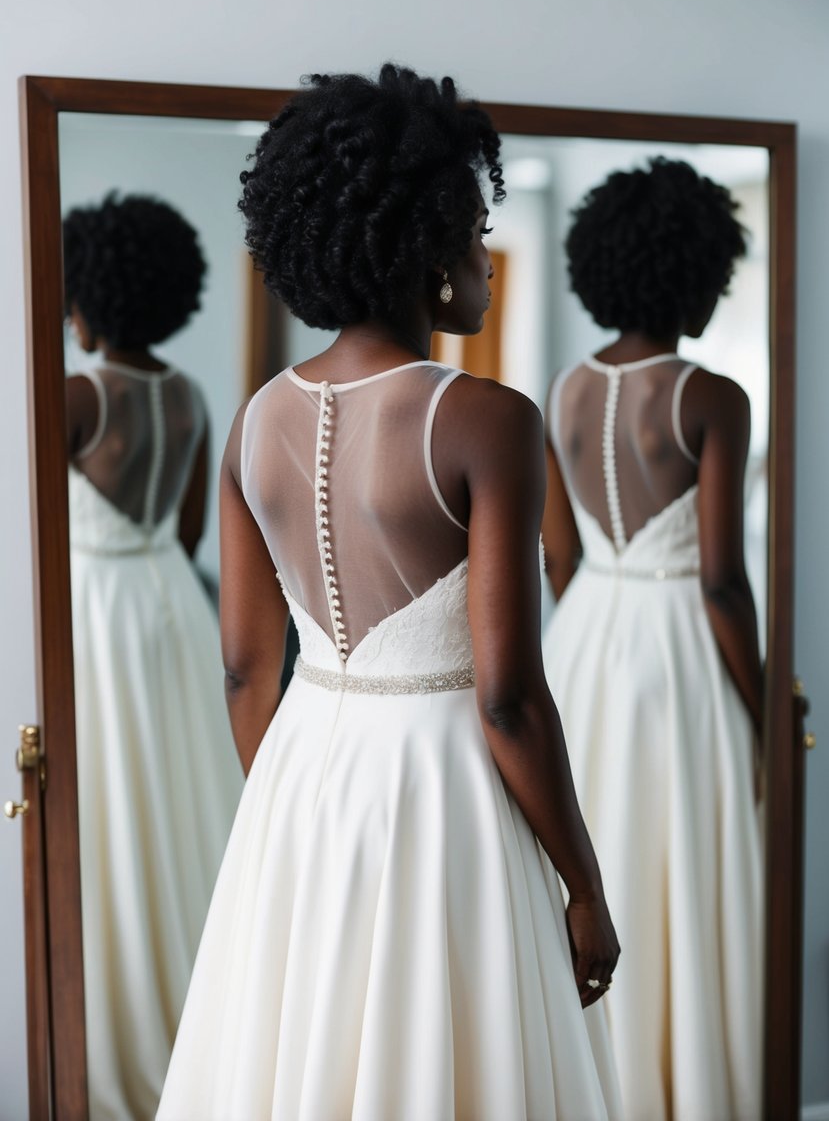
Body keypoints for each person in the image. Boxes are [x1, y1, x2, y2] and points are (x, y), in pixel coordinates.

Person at [157, 65, 622, 1120]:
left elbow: (243, 666)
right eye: (470, 229)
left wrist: (286, 803)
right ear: (420, 245)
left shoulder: (252, 421)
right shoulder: (488, 419)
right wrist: (584, 889)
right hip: (442, 787)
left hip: (300, 776)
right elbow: (507, 698)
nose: (483, 257)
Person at [541, 158, 763, 1121]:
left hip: (587, 630)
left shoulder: (561, 391)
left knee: (604, 845)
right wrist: (762, 706)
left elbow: (556, 556)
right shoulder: (709, 395)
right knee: (681, 854)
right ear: (696, 267)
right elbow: (720, 576)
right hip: (676, 647)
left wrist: (590, 617)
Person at [64, 192, 244, 1121]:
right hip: (172, 604)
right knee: (172, 800)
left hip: (97, 611)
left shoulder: (77, 394)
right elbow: (181, 531)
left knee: (111, 806)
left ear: (85, 294)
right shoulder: (190, 397)